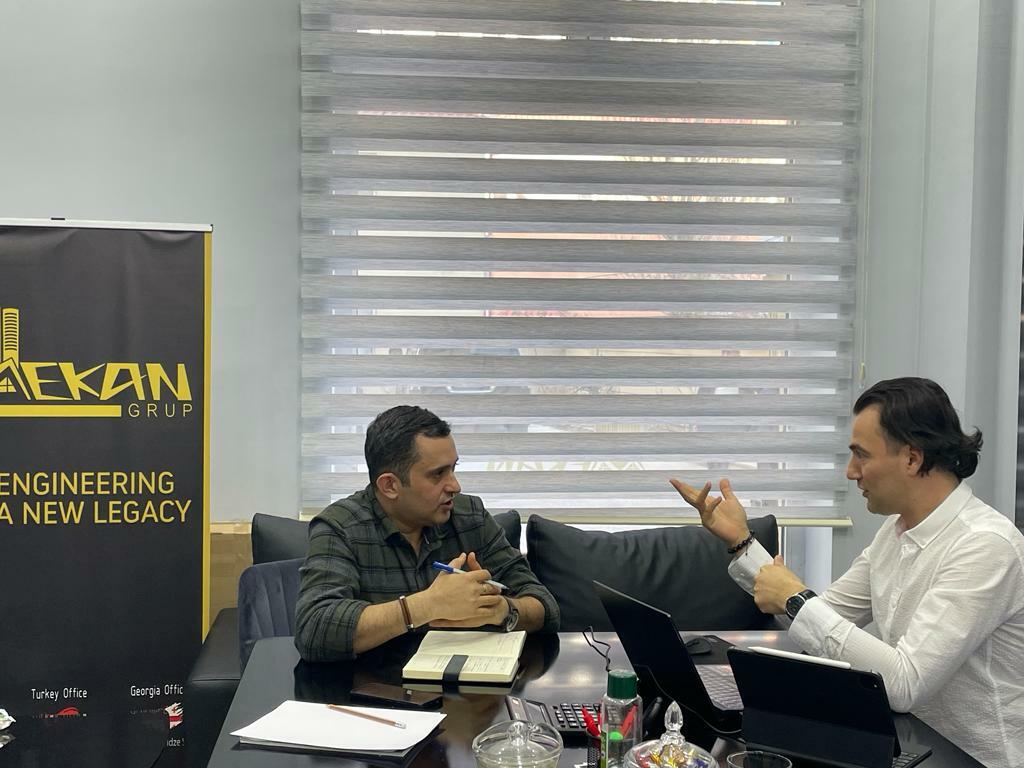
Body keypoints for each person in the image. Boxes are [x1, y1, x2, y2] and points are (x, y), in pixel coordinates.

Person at [672, 377, 1024, 768]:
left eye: (861, 456)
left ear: (912, 458)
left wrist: (797, 599)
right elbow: (818, 622)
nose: (850, 472)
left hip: (972, 758)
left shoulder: (985, 546)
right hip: (908, 743)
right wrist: (742, 543)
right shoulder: (896, 531)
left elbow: (905, 683)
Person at [295, 405, 559, 661]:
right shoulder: (340, 527)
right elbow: (314, 629)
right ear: (390, 486)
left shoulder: (470, 516)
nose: (455, 485)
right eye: (438, 474)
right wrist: (426, 606)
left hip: (462, 682)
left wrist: (504, 611)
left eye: (453, 468)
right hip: (373, 686)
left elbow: (545, 607)